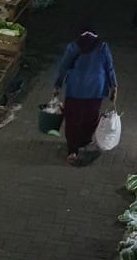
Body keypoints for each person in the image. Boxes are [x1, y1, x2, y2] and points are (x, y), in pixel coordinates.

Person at [54, 28, 118, 166]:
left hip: (75, 90)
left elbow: (63, 67)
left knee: (72, 120)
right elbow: (109, 67)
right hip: (95, 90)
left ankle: (73, 150)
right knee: (90, 118)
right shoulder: (102, 47)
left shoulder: (73, 46)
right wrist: (114, 86)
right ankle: (85, 141)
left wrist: (57, 85)